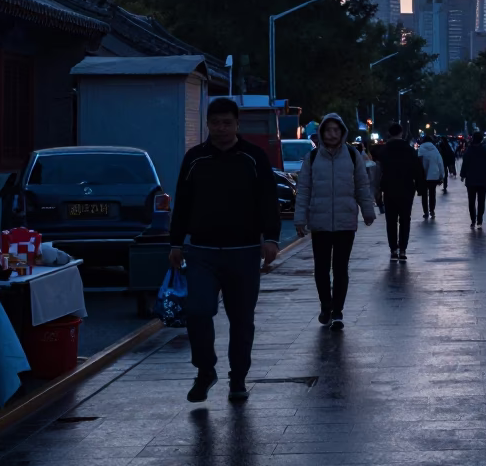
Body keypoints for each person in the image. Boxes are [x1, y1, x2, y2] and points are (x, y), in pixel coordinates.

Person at [169, 98, 281, 403]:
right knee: (198, 311)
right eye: (215, 122)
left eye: (227, 123)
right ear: (207, 124)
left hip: (244, 252)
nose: (221, 128)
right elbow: (182, 202)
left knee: (241, 319)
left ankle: (238, 378)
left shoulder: (253, 157)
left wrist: (271, 237)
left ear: (237, 124)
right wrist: (176, 242)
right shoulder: (195, 158)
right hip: (202, 252)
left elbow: (268, 200)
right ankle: (205, 369)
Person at [294, 113, 376, 331]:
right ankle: (325, 306)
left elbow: (361, 185)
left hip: (345, 222)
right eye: (327, 130)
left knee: (340, 268)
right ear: (321, 133)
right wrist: (300, 218)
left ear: (342, 133)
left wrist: (368, 211)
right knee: (321, 268)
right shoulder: (312, 158)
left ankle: (338, 311)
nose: (331, 134)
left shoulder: (351, 155)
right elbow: (303, 190)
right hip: (319, 223)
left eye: (335, 130)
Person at [374, 123, 425, 261]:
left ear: (389, 134)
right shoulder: (409, 150)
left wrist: (376, 190)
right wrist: (420, 188)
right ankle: (403, 249)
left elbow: (378, 172)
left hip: (389, 189)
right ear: (401, 133)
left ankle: (393, 249)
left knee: (391, 221)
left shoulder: (383, 150)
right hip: (407, 189)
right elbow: (417, 170)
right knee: (405, 219)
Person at [460, 131, 486, 229]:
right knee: (481, 201)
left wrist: (463, 175)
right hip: (482, 179)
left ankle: (473, 220)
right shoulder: (484, 150)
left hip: (471, 180)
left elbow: (464, 163)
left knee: (471, 201)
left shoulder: (469, 150)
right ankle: (480, 220)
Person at [417, 135, 444, 219]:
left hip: (423, 176)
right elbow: (440, 164)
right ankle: (432, 210)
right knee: (432, 193)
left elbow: (417, 163)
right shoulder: (435, 150)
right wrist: (441, 176)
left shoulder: (420, 149)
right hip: (434, 175)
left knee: (424, 195)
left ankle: (425, 212)